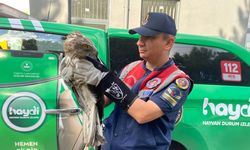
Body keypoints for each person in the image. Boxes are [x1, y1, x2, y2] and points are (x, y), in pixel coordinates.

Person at [76, 12, 193, 150]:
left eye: (148, 37)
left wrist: (106, 79)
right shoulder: (131, 68)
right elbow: (102, 101)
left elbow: (143, 114)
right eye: (140, 36)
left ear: (168, 42)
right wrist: (83, 82)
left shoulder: (177, 81)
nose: (139, 42)